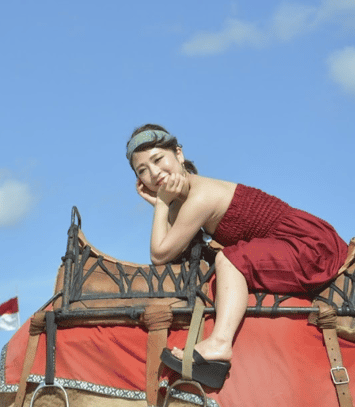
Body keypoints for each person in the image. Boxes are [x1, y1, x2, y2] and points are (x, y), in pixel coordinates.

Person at [127, 124, 347, 389]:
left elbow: (159, 254)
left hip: (309, 245)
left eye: (158, 159)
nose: (155, 173)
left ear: (179, 154)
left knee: (230, 259)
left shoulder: (201, 196)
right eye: (143, 171)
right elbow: (173, 247)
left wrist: (161, 203)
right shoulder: (186, 203)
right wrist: (165, 204)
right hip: (291, 242)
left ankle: (219, 344)